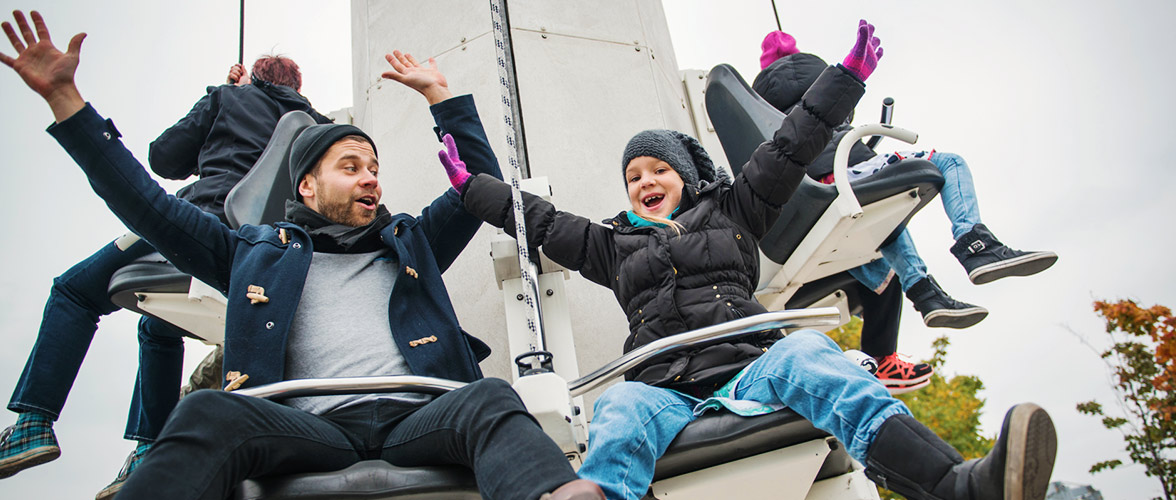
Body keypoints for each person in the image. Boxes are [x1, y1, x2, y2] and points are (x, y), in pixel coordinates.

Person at [0, 10, 604, 500]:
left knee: (492, 397)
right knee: (206, 413)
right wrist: (68, 105)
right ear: (306, 188)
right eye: (351, 167)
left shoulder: (411, 240)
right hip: (310, 428)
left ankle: (556, 495)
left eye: (375, 168)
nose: (371, 178)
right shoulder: (253, 255)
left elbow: (479, 185)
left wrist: (441, 98)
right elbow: (149, 206)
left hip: (421, 417)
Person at [453, 20, 1058, 500]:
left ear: (686, 178)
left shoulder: (735, 210)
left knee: (809, 354)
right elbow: (541, 221)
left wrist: (843, 79)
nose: (645, 181)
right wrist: (469, 187)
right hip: (662, 385)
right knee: (618, 407)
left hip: (749, 363)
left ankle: (960, 484)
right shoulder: (611, 245)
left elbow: (791, 145)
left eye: (658, 169)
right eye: (633, 176)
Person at [0, 42, 334, 499]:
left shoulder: (228, 97)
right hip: (264, 254)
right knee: (157, 324)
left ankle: (34, 420)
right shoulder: (321, 130)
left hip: (199, 225)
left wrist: (221, 97)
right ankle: (146, 451)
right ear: (298, 88)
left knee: (74, 291)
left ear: (255, 77)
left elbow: (164, 158)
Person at [753, 30, 1057, 332]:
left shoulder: (759, 104)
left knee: (880, 215)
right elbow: (838, 106)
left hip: (814, 185)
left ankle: (925, 293)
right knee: (949, 162)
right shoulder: (818, 78)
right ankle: (976, 243)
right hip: (850, 164)